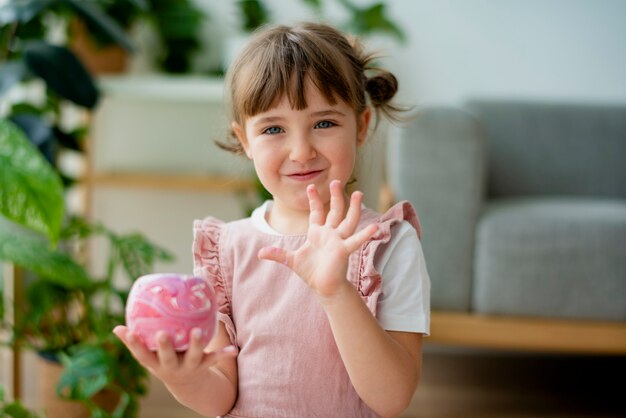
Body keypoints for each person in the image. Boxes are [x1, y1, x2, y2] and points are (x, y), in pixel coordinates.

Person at [114, 22, 430, 418]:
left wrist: (336, 292)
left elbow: (392, 398)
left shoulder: (387, 242)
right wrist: (184, 379)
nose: (300, 151)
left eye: (324, 123)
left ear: (361, 126)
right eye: (274, 128)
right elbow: (221, 397)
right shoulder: (225, 250)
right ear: (244, 140)